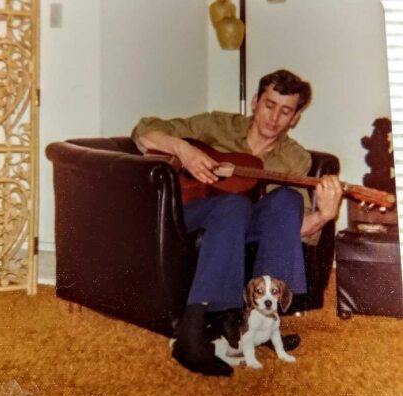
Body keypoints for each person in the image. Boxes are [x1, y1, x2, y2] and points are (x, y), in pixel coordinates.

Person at [131, 69, 343, 377]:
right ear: (255, 102)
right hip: (187, 213)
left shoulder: (295, 159)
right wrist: (184, 150)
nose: (274, 117)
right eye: (269, 105)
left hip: (237, 223)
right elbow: (143, 130)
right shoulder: (217, 125)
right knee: (235, 204)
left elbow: (291, 230)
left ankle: (260, 318)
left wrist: (325, 214)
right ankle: (190, 332)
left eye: (285, 111)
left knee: (287, 200)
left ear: (295, 118)